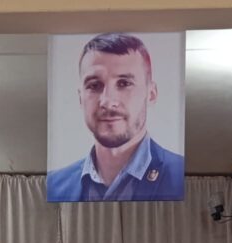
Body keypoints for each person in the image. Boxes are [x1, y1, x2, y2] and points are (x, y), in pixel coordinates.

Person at [46, 33, 184, 203]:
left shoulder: (182, 176)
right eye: (94, 85)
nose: (107, 101)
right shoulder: (55, 185)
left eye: (124, 83)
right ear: (80, 97)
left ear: (151, 94)